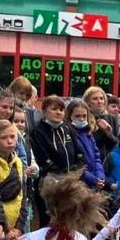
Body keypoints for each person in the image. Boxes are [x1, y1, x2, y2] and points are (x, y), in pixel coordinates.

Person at [30, 95, 84, 225]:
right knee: (50, 219)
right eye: (54, 109)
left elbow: (79, 151)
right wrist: (59, 173)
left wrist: (77, 169)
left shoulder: (67, 128)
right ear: (44, 111)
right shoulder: (39, 131)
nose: (58, 112)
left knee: (68, 219)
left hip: (70, 179)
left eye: (61, 109)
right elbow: (42, 157)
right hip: (50, 180)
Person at [65, 100, 109, 194]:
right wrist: (92, 179)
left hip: (94, 182)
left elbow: (97, 157)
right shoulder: (68, 135)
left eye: (84, 116)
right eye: (77, 116)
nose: (81, 119)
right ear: (70, 116)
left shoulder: (88, 134)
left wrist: (100, 176)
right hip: (79, 183)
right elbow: (73, 163)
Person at [83, 86, 120, 160]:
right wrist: (99, 130)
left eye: (101, 98)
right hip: (90, 160)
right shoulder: (83, 117)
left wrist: (108, 133)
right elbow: (86, 144)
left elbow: (118, 143)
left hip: (109, 161)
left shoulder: (111, 118)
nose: (99, 101)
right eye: (95, 99)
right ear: (87, 102)